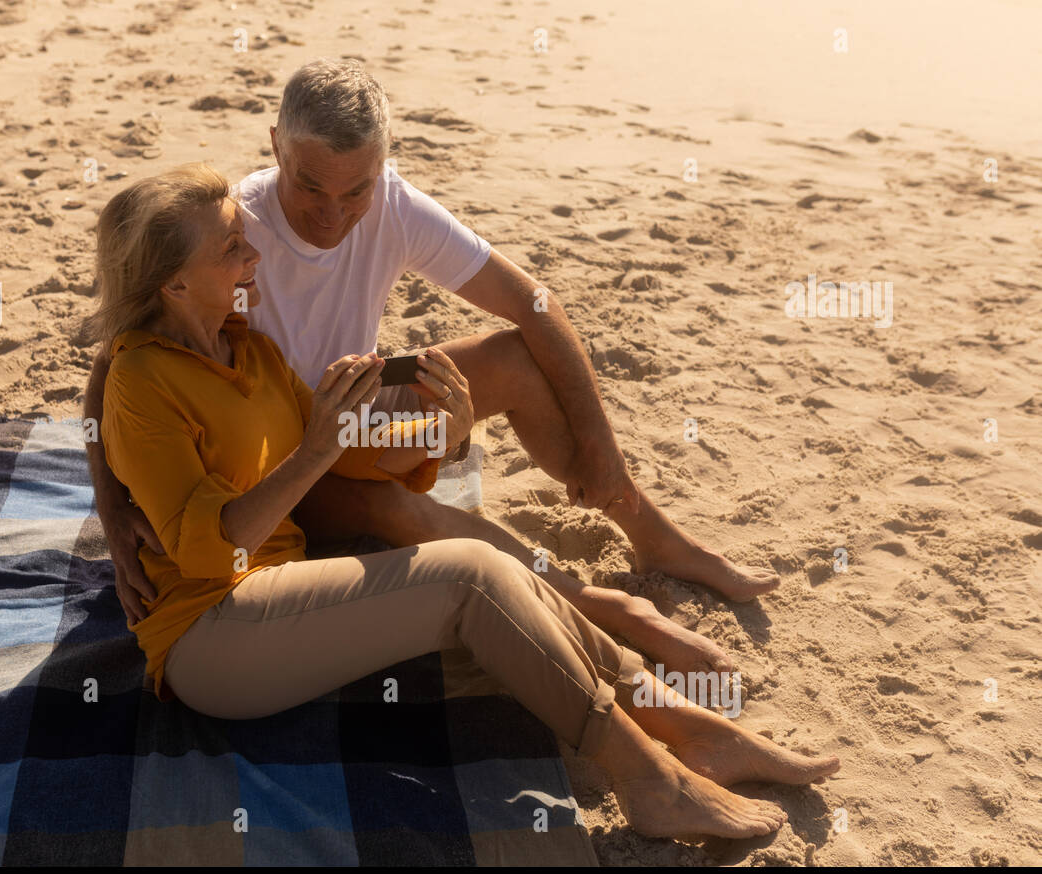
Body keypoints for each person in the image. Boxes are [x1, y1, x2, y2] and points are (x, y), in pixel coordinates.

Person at [91, 163, 839, 842]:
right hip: (212, 639)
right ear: (173, 285)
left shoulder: (246, 347)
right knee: (469, 575)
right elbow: (210, 548)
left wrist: (438, 435)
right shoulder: (142, 384)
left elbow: (345, 452)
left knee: (489, 571)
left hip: (279, 596)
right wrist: (313, 449)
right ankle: (650, 777)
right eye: (231, 250)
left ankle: (686, 727)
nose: (253, 257)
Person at [82, 59, 776, 681]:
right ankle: (598, 604)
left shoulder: (391, 204)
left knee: (512, 357)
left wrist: (604, 457)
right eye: (311, 186)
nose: (334, 214)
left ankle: (646, 529)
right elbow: (116, 356)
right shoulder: (231, 229)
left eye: (356, 191)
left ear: (382, 165)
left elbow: (536, 305)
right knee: (395, 506)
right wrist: (114, 515)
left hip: (349, 407)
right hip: (284, 459)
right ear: (276, 147)